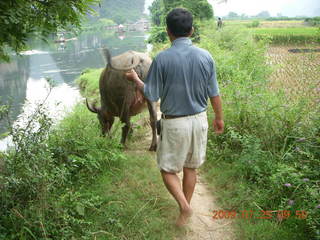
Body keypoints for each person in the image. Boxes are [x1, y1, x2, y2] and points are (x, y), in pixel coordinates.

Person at [126, 8, 224, 227]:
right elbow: (214, 93)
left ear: (168, 31)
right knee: (191, 167)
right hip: (200, 120)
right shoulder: (206, 56)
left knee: (168, 170)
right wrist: (219, 118)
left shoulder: (162, 59)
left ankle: (185, 207)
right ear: (191, 30)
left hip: (175, 123)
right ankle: (184, 211)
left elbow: (151, 94)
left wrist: (135, 79)